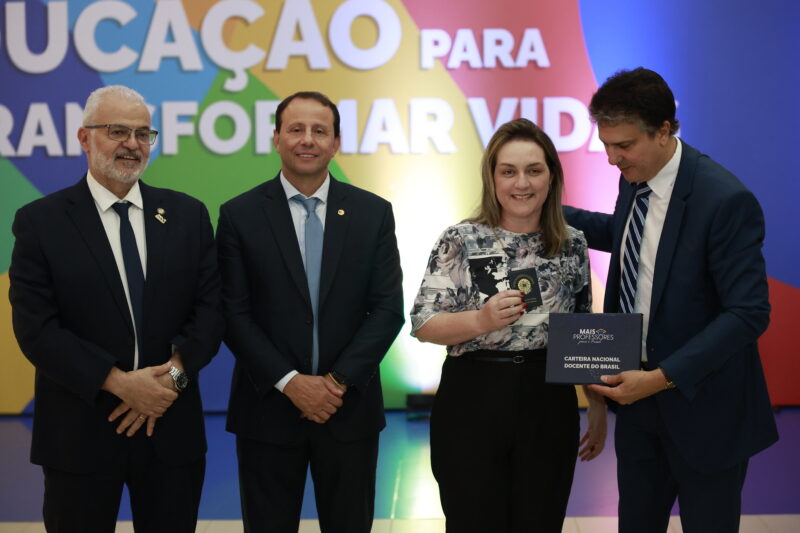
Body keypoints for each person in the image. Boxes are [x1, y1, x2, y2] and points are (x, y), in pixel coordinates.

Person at [564, 67, 778, 533]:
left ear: (663, 131)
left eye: (624, 145)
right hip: (637, 407)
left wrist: (659, 379)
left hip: (706, 409)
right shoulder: (635, 176)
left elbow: (748, 313)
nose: (612, 159)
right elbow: (630, 237)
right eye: (606, 145)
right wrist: (546, 214)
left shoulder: (724, 200)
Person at [8, 85, 224, 532]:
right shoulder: (40, 222)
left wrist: (171, 380)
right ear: (84, 138)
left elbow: (211, 312)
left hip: (170, 427)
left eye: (143, 134)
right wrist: (121, 384)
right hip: (79, 436)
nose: (132, 144)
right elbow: (36, 329)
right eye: (117, 131)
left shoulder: (188, 215)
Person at [217, 90, 404, 533]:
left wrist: (335, 383)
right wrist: (291, 383)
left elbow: (387, 309)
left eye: (320, 131)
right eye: (296, 129)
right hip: (267, 412)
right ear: (276, 138)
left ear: (335, 143)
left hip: (348, 410)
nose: (307, 139)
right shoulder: (240, 215)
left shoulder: (373, 213)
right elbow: (232, 314)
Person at [410, 118, 607, 532]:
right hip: (472, 395)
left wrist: (597, 403)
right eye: (509, 171)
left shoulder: (572, 242)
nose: (522, 183)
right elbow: (424, 324)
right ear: (492, 178)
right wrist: (480, 320)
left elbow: (581, 329)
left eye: (534, 170)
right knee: (472, 520)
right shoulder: (460, 239)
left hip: (548, 399)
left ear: (551, 177)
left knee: (541, 519)